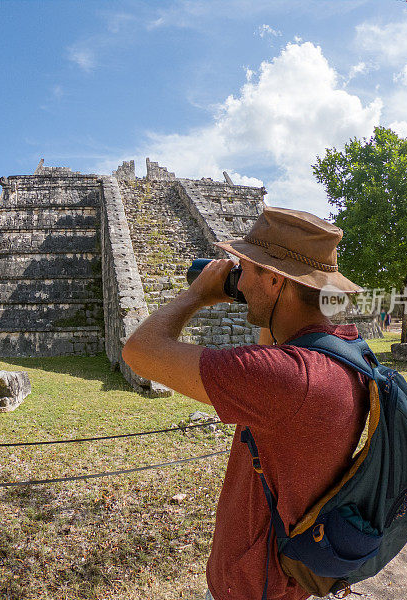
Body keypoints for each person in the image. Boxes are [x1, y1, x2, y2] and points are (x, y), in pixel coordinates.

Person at [122, 207, 369, 600]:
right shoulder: (347, 348)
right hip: (295, 577)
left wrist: (196, 296)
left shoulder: (285, 378)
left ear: (274, 279)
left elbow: (139, 352)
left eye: (246, 267)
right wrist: (271, 305)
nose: (238, 277)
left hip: (253, 588)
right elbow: (284, 335)